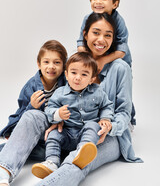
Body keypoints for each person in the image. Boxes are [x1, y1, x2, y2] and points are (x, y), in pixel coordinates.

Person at [35, 12, 143, 186]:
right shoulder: (77, 63)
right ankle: (7, 168)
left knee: (79, 161)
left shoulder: (120, 68)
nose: (101, 39)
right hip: (73, 129)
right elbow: (60, 96)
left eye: (108, 35)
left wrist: (109, 126)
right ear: (85, 34)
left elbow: (124, 112)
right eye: (96, 32)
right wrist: (56, 118)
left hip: (107, 134)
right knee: (41, 129)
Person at [32, 52, 114, 179]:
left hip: (86, 133)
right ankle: (52, 162)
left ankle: (82, 152)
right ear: (66, 74)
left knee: (93, 126)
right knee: (54, 134)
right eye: (74, 73)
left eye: (84, 74)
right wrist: (58, 114)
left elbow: (107, 106)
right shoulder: (60, 93)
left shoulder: (97, 92)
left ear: (92, 79)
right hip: (67, 132)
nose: (78, 77)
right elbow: (50, 109)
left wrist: (105, 118)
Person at [0, 40, 67, 186]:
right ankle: (4, 171)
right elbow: (20, 117)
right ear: (39, 64)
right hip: (38, 133)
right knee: (31, 117)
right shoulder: (31, 86)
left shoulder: (68, 84)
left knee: (48, 152)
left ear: (64, 66)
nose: (51, 67)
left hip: (55, 138)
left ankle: (11, 148)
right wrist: (32, 106)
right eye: (46, 62)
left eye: (57, 62)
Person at [77, 0, 136, 126]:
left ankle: (128, 119)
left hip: (118, 57)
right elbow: (80, 43)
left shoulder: (118, 21)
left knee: (122, 88)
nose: (98, 2)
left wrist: (103, 60)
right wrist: (88, 59)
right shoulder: (88, 19)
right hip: (96, 55)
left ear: (115, 4)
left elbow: (122, 50)